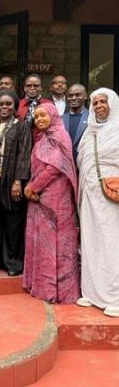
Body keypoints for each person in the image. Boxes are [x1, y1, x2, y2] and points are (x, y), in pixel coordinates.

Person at [23, 102, 80, 303]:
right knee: (44, 243)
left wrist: (32, 187)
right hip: (41, 197)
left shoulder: (59, 136)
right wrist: (33, 187)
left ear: (53, 115)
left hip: (57, 199)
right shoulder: (43, 137)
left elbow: (55, 168)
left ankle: (58, 291)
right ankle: (42, 285)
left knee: (57, 244)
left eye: (43, 115)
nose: (39, 119)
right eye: (36, 116)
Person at [76, 88, 119, 318]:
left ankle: (115, 297)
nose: (99, 106)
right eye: (95, 103)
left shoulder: (118, 128)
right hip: (90, 195)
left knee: (112, 243)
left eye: (103, 101)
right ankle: (93, 293)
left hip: (112, 195)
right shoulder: (90, 132)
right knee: (91, 240)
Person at [0, 91, 32, 276]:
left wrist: (18, 181)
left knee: (13, 222)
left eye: (8, 104)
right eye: (0, 104)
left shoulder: (21, 126)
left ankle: (13, 263)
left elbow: (24, 155)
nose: (4, 107)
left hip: (12, 181)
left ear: (15, 106)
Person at [62, 84, 89, 163]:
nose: (73, 98)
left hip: (85, 164)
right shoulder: (60, 119)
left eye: (78, 95)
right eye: (70, 95)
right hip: (65, 165)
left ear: (85, 96)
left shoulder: (93, 118)